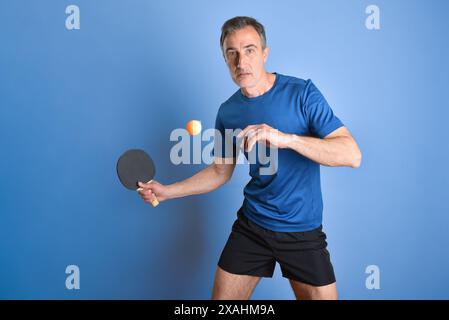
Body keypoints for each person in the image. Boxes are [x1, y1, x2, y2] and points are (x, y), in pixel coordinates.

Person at [137, 16, 362, 300]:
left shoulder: (302, 93)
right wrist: (167, 191)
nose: (241, 62)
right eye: (232, 53)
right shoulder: (228, 112)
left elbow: (351, 154)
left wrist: (285, 139)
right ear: (225, 59)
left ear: (265, 53)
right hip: (253, 227)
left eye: (249, 50)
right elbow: (220, 171)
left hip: (301, 231)